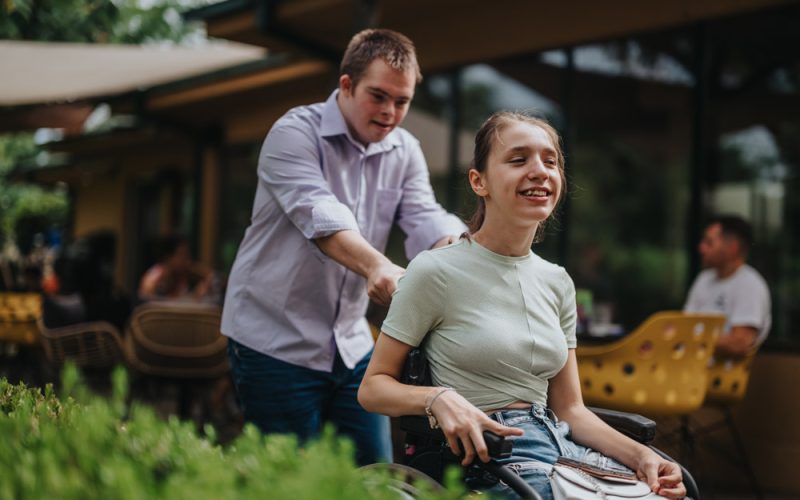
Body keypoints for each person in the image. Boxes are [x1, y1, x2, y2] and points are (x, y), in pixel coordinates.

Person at [358, 111, 686, 499]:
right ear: (479, 181)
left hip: (561, 447)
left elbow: (571, 410)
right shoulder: (435, 271)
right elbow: (373, 388)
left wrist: (641, 456)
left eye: (550, 161)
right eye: (518, 160)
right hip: (490, 457)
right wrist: (436, 398)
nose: (539, 171)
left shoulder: (557, 281)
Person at [220, 29, 466, 465]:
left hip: (352, 345)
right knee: (295, 484)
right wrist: (377, 267)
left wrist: (460, 251)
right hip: (274, 341)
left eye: (403, 101)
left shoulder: (406, 149)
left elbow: (425, 217)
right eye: (379, 96)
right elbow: (321, 217)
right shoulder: (293, 133)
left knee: (376, 476)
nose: (391, 112)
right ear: (347, 85)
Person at [684, 215, 771, 357]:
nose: (701, 248)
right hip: (685, 364)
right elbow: (684, 324)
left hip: (717, 373)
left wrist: (688, 338)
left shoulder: (750, 285)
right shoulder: (704, 279)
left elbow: (740, 344)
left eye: (709, 242)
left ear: (732, 248)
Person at [138, 235, 217, 303]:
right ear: (168, 257)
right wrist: (195, 296)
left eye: (187, 255)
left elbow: (213, 276)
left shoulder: (185, 272)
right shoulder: (154, 279)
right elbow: (151, 306)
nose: (187, 260)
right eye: (182, 255)